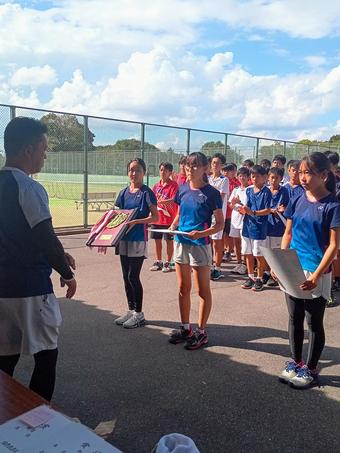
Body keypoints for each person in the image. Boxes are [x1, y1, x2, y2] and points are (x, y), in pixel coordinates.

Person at [0, 117, 77, 401]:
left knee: (5, 359)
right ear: (28, 150)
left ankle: (8, 422)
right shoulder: (30, 188)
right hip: (31, 289)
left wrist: (59, 251)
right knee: (47, 356)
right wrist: (66, 274)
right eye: (44, 149)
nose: (45, 154)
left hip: (2, 288)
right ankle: (39, 421)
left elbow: (34, 234)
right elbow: (43, 236)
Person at [279, 152, 340, 388]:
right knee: (294, 318)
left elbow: (334, 246)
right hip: (293, 268)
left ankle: (311, 369)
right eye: (301, 172)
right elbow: (288, 233)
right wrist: (281, 262)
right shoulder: (297, 197)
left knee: (314, 322)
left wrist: (316, 275)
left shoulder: (333, 206)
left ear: (324, 175)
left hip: (317, 272)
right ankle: (295, 362)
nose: (302, 177)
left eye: (308, 173)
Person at [168, 152, 224, 350]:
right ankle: (186, 328)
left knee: (202, 290)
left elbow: (220, 224)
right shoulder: (182, 189)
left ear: (205, 169)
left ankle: (201, 332)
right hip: (181, 242)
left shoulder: (212, 193)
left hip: (200, 245)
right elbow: (180, 213)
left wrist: (201, 233)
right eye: (187, 166)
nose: (189, 170)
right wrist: (173, 226)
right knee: (183, 288)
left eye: (195, 166)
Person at [113, 158, 158, 328]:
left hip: (138, 239)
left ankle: (139, 314)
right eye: (131, 170)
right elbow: (118, 215)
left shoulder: (147, 193)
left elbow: (155, 217)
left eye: (137, 170)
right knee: (125, 277)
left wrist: (136, 222)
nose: (134, 173)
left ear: (144, 173)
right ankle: (131, 310)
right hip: (123, 240)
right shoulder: (124, 192)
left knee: (133, 276)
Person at [239, 165, 272, 292]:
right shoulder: (248, 190)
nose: (255, 178)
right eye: (253, 176)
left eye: (258, 176)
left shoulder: (266, 192)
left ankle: (259, 278)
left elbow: (268, 210)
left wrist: (253, 213)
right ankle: (250, 277)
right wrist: (241, 209)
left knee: (258, 254)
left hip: (259, 228)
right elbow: (246, 207)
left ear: (264, 178)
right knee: (247, 253)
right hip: (247, 226)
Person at [150, 162, 178, 273]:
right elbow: (152, 200)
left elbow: (173, 200)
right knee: (157, 240)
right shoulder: (156, 186)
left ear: (170, 172)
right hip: (157, 218)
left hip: (169, 219)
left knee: (169, 241)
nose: (163, 172)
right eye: (161, 170)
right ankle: (159, 261)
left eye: (165, 171)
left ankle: (168, 262)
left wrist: (159, 202)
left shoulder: (174, 185)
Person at [265, 167, 289, 286]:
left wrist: (283, 210)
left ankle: (277, 275)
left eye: (276, 178)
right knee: (268, 251)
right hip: (266, 226)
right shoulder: (265, 191)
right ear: (268, 178)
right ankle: (269, 273)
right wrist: (268, 210)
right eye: (272, 177)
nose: (273, 180)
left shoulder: (284, 191)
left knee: (277, 252)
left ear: (281, 179)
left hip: (278, 227)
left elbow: (287, 207)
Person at [208, 153, 229, 280]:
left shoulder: (224, 180)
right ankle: (209, 266)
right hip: (207, 214)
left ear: (221, 165)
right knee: (208, 241)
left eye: (217, 163)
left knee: (217, 242)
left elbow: (219, 198)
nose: (215, 165)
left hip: (218, 215)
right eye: (213, 162)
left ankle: (218, 268)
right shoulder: (208, 179)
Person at [228, 166, 250, 275]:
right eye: (240, 176)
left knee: (244, 243)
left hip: (245, 220)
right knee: (236, 242)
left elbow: (249, 206)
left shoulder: (250, 190)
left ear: (248, 177)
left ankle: (246, 265)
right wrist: (234, 204)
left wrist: (240, 203)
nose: (242, 178)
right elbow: (230, 204)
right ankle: (239, 262)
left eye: (244, 176)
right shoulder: (236, 189)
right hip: (235, 219)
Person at [222, 163, 240, 262]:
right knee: (222, 233)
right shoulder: (221, 181)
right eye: (224, 170)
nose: (225, 173)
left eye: (228, 170)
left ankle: (228, 251)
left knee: (230, 234)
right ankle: (223, 250)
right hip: (221, 212)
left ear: (233, 172)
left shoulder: (236, 184)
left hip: (231, 213)